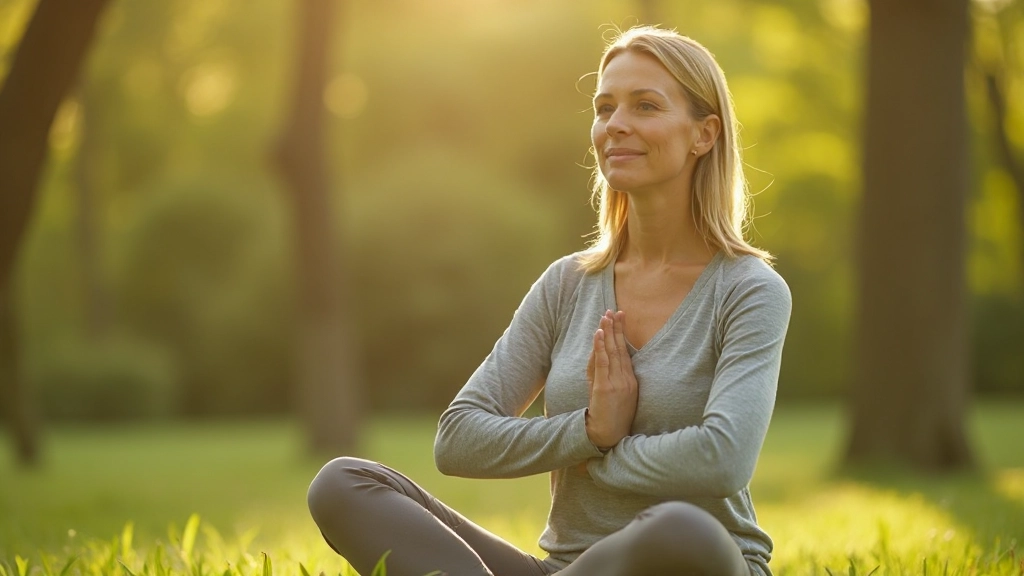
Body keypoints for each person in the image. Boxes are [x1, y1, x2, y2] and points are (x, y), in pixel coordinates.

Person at [307, 25, 792, 576]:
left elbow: (723, 459)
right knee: (343, 483)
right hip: (567, 568)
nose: (616, 125)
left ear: (703, 134)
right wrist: (588, 430)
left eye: (645, 105)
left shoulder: (748, 290)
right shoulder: (567, 285)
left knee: (680, 531)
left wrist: (599, 458)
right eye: (605, 108)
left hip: (692, 562)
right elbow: (458, 438)